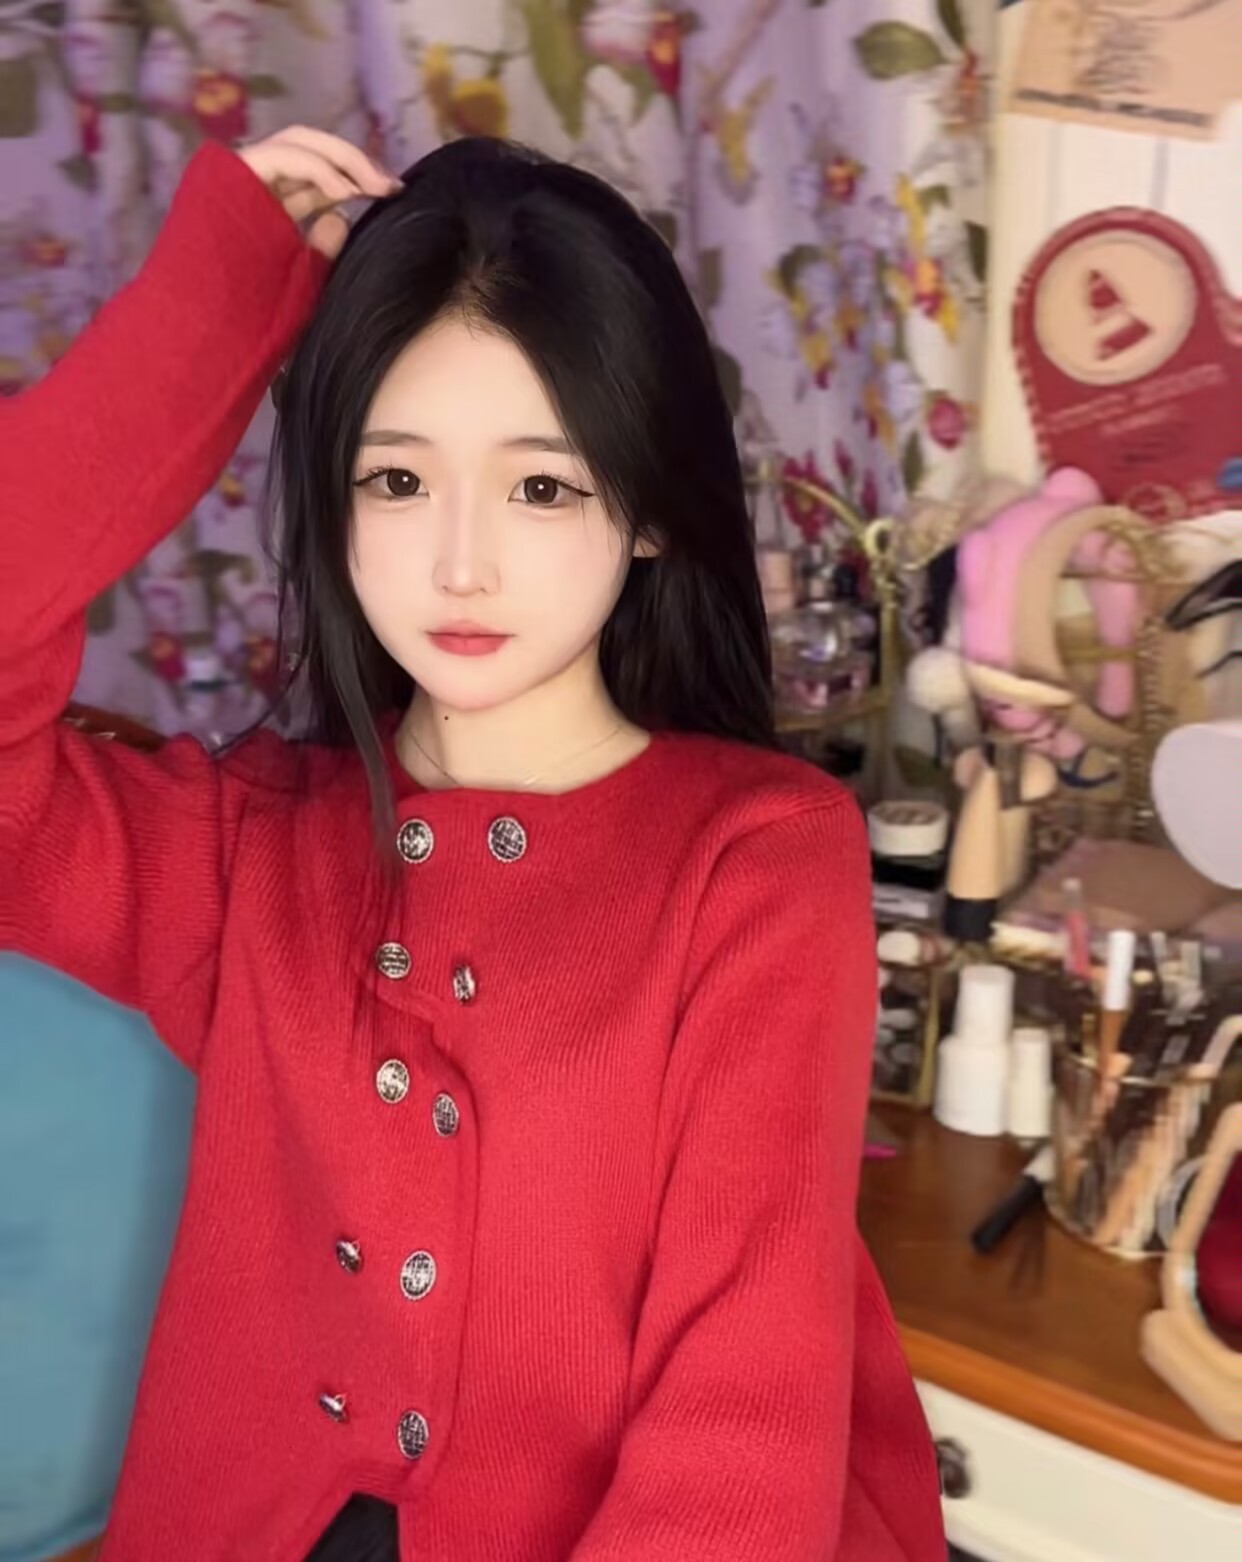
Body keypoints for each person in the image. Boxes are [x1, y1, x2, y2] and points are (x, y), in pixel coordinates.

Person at [0, 126, 944, 1561]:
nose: (459, 562)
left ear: (646, 507)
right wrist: (209, 308)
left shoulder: (758, 861)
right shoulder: (246, 851)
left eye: (540, 486)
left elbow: (740, 1412)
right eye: (395, 481)